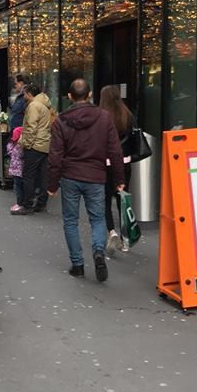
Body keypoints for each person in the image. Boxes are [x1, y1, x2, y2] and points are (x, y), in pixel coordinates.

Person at [47, 78, 124, 282]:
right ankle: (98, 250)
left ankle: (78, 264)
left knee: (70, 221)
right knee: (98, 218)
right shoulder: (104, 118)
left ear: (69, 97)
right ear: (90, 95)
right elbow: (115, 150)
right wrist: (119, 178)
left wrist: (52, 184)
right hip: (96, 176)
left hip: (70, 176)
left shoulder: (61, 121)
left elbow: (55, 155)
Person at [99, 85, 135, 254]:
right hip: (125, 162)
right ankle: (125, 240)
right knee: (123, 201)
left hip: (105, 164)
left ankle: (111, 231)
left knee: (105, 200)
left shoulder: (101, 116)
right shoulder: (127, 114)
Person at [13, 84, 53, 215]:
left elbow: (31, 126)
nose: (24, 96)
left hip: (35, 144)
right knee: (43, 176)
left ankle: (27, 204)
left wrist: (27, 144)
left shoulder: (34, 105)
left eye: (25, 94)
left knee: (28, 175)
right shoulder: (45, 104)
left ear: (29, 93)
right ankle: (41, 203)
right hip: (45, 143)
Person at [7, 125, 24, 212]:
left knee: (18, 187)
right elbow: (21, 155)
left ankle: (20, 203)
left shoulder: (12, 145)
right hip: (20, 171)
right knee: (20, 187)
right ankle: (20, 203)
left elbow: (10, 152)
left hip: (16, 170)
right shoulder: (20, 147)